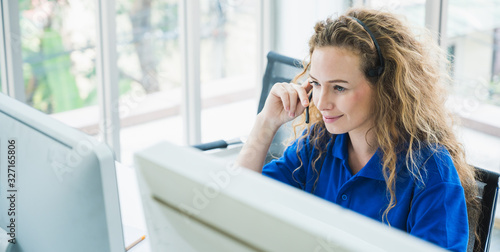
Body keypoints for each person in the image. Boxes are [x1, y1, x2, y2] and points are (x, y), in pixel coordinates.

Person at [235, 7, 480, 251]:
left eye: (339, 88)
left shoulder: (430, 171)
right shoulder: (319, 144)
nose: (321, 102)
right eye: (317, 84)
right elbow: (238, 203)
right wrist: (266, 122)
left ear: (386, 87)